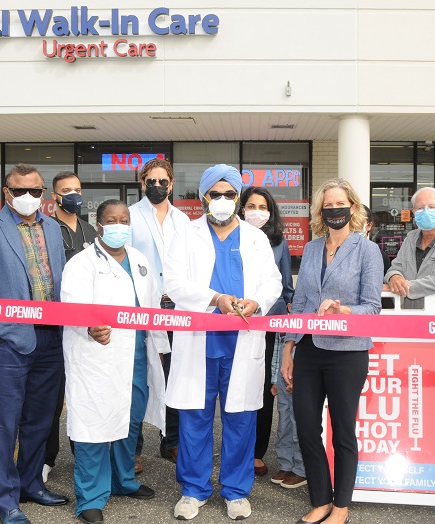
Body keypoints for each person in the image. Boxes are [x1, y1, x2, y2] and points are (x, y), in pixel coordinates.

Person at [163, 164, 282, 521]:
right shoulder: (186, 234)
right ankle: (193, 490)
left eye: (229, 194)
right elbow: (174, 282)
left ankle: (235, 491)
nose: (222, 200)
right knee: (195, 418)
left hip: (242, 340)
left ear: (238, 198)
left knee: (241, 418)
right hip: (201, 340)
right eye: (215, 194)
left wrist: (257, 302)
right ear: (203, 197)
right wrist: (216, 299)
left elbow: (273, 282)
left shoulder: (255, 238)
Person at [0, 163, 69, 524]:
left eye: (35, 191)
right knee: (6, 424)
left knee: (41, 420)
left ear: (45, 194)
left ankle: (30, 483)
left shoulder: (53, 228)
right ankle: (6, 500)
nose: (28, 198)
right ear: (6, 192)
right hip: (12, 340)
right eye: (20, 190)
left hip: (51, 336)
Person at [281, 179, 383, 524]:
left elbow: (373, 307)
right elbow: (303, 303)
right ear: (320, 212)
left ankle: (341, 507)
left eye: (340, 204)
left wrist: (345, 311)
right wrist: (288, 347)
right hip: (309, 348)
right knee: (306, 428)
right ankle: (321, 501)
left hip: (347, 353)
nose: (334, 210)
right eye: (328, 205)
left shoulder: (367, 250)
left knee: (343, 431)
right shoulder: (311, 249)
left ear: (352, 208)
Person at [61, 199, 167, 524]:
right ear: (100, 224)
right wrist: (89, 326)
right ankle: (90, 497)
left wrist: (160, 344)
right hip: (96, 359)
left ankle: (124, 481)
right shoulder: (80, 264)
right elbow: (72, 308)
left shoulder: (139, 260)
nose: (119, 225)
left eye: (125, 219)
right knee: (93, 424)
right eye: (112, 220)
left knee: (129, 422)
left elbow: (151, 309)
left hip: (135, 356)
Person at [383, 187, 435, 477]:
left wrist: (405, 286)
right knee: (415, 394)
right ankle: (419, 448)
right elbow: (394, 268)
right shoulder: (409, 239)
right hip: (409, 332)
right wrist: (393, 276)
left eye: (432, 207)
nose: (426, 212)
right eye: (420, 208)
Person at [129, 158, 191, 473]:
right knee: (141, 375)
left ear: (171, 184)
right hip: (145, 306)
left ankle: (172, 442)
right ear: (143, 183)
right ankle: (134, 448)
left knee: (176, 374)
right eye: (150, 181)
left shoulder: (184, 220)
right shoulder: (129, 216)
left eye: (162, 181)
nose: (156, 186)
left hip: (176, 306)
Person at [238, 186, 295, 480]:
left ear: (270, 212)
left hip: (267, 325)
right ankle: (238, 449)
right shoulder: (229, 237)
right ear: (242, 208)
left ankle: (257, 452)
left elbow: (285, 286)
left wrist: (287, 324)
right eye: (251, 205)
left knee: (262, 392)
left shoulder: (278, 242)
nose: (256, 211)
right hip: (232, 322)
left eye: (262, 206)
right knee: (235, 389)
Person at [43, 171, 97, 483]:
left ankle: (84, 455)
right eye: (67, 190)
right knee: (51, 397)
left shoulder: (90, 230)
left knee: (84, 395)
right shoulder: (47, 229)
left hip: (86, 328)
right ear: (54, 196)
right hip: (55, 327)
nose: (74, 195)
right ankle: (46, 458)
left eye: (77, 189)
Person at [270, 333, 307, 490]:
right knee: (284, 421)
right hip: (282, 373)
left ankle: (301, 468)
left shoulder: (308, 315)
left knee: (298, 420)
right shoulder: (283, 316)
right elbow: (278, 348)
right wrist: (274, 379)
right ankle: (286, 464)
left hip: (301, 370)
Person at [361, 205, 391, 275]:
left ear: (369, 225)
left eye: (359, 222)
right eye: (352, 222)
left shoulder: (380, 256)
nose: (354, 226)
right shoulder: (339, 252)